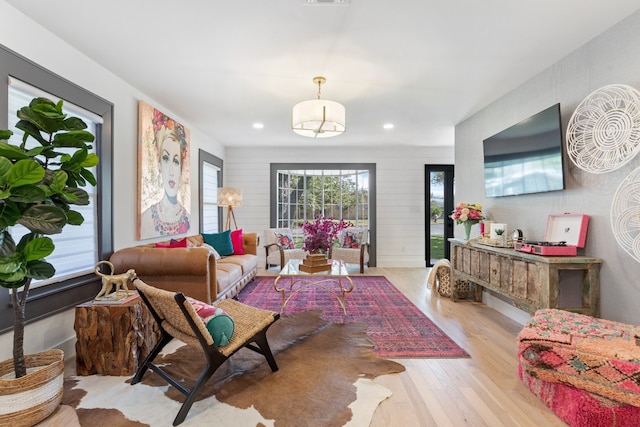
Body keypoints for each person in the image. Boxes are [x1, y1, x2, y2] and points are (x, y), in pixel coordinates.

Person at [139, 120, 190, 238]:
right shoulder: (145, 219)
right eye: (166, 159)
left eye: (176, 161)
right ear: (159, 164)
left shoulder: (188, 217)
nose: (171, 172)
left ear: (181, 168)